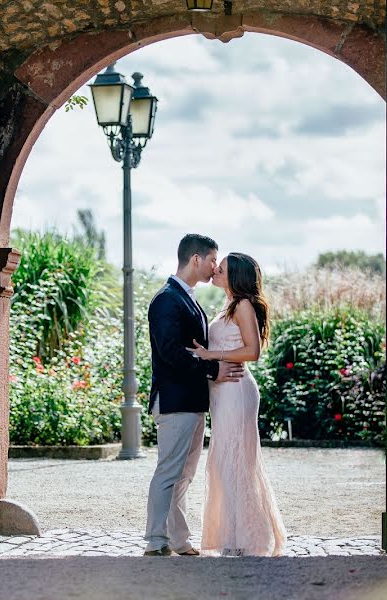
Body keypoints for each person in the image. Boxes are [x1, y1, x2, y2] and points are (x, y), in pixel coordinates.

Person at [143, 234, 246, 557]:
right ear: (196, 259)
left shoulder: (187, 297)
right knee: (168, 472)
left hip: (192, 401)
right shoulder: (166, 300)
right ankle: (155, 541)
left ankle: (178, 539)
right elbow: (171, 352)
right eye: (213, 259)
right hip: (174, 401)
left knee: (184, 475)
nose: (216, 266)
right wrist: (214, 371)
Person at [189, 252, 287, 556]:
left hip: (236, 390)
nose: (216, 269)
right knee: (225, 461)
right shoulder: (228, 305)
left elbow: (252, 351)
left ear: (237, 276)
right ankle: (232, 536)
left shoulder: (243, 305)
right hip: (222, 392)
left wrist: (211, 356)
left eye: (224, 268)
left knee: (234, 461)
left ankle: (243, 540)